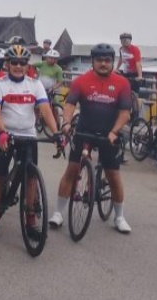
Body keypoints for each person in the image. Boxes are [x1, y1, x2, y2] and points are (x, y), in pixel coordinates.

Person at [49, 43, 132, 233]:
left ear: (112, 62)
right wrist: (66, 122)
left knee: (113, 175)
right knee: (72, 169)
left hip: (109, 134)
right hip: (84, 131)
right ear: (92, 61)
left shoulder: (122, 83)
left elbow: (125, 113)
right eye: (99, 60)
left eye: (107, 60)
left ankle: (119, 217)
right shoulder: (81, 81)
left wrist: (114, 132)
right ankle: (58, 213)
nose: (103, 64)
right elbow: (70, 105)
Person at [0, 44, 60, 239]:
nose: (18, 66)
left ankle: (31, 222)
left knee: (31, 179)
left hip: (28, 136)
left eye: (22, 63)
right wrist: (2, 131)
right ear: (8, 64)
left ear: (27, 65)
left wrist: (56, 133)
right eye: (14, 62)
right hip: (4, 134)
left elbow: (45, 109)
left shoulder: (35, 84)